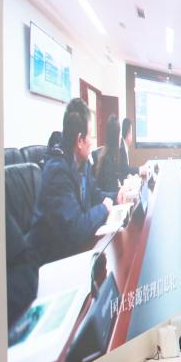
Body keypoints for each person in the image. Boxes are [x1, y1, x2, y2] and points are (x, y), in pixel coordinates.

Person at [28, 97, 115, 264]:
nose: (93, 142)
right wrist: (104, 208)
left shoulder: (83, 163)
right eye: (91, 135)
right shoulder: (57, 171)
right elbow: (75, 230)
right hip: (47, 263)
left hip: (72, 252)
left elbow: (96, 195)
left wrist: (117, 196)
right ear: (80, 140)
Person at [94, 114, 124, 199]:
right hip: (108, 202)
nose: (120, 138)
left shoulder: (108, 154)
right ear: (116, 136)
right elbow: (110, 190)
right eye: (119, 134)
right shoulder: (107, 160)